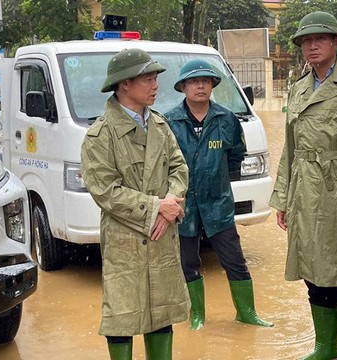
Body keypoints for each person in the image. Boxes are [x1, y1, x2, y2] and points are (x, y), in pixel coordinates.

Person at [270, 11, 337, 360]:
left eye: (319, 39)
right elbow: (291, 146)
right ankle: (325, 346)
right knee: (312, 268)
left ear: (336, 43)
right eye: (305, 41)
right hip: (305, 193)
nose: (311, 46)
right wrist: (283, 197)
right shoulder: (298, 88)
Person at [81, 48, 190, 360]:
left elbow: (179, 169)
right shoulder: (100, 134)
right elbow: (105, 190)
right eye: (148, 79)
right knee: (123, 315)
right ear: (124, 83)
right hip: (125, 240)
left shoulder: (159, 124)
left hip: (162, 235)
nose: (156, 85)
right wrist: (157, 208)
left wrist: (170, 207)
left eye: (155, 79)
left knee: (161, 314)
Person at [164, 59, 273, 330]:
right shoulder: (168, 122)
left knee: (234, 259)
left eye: (205, 81)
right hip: (183, 205)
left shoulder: (227, 119)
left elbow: (236, 157)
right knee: (189, 262)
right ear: (183, 87)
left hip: (218, 203)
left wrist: (217, 179)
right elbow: (163, 164)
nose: (200, 85)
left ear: (212, 85)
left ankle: (247, 313)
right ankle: (197, 316)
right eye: (193, 81)